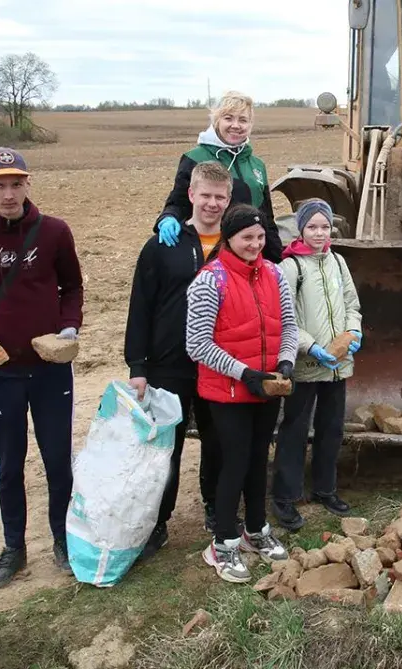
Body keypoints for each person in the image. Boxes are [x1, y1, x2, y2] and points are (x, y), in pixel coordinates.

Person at [0, 147, 84, 588]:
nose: (8, 194)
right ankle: (14, 548)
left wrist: (68, 328)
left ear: (28, 184)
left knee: (57, 461)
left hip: (49, 371)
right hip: (0, 372)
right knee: (9, 464)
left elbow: (73, 287)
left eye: (16, 184)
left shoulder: (53, 232)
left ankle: (64, 541)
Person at [186, 204, 296, 583]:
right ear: (229, 238)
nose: (255, 244)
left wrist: (284, 362)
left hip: (265, 387)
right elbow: (197, 344)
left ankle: (255, 530)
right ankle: (223, 543)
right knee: (233, 462)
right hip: (227, 391)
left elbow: (289, 325)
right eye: (247, 237)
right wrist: (244, 373)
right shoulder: (209, 280)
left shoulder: (274, 274)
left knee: (256, 459)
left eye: (261, 236)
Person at [124, 161, 230, 558]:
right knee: (166, 446)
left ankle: (215, 509)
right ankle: (158, 521)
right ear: (191, 195)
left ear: (229, 199)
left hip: (218, 363)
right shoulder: (162, 246)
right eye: (205, 195)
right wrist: (138, 365)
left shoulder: (234, 247)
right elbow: (141, 306)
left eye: (220, 197)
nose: (212, 204)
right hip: (169, 364)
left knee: (217, 440)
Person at [271, 199, 363, 531]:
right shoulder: (290, 267)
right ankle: (285, 496)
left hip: (337, 364)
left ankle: (326, 489)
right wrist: (310, 347)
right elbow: (285, 318)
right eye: (312, 227)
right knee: (295, 429)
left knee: (331, 428)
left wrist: (353, 330)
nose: (319, 233)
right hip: (306, 364)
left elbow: (352, 303)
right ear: (301, 229)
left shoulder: (338, 262)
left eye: (325, 227)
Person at [154, 90, 284, 263]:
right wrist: (168, 218)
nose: (236, 125)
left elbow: (266, 217)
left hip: (248, 252)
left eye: (243, 120)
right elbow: (178, 202)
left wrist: (277, 259)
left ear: (250, 125)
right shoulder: (195, 158)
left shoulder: (257, 165)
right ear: (217, 121)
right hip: (209, 251)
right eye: (228, 118)